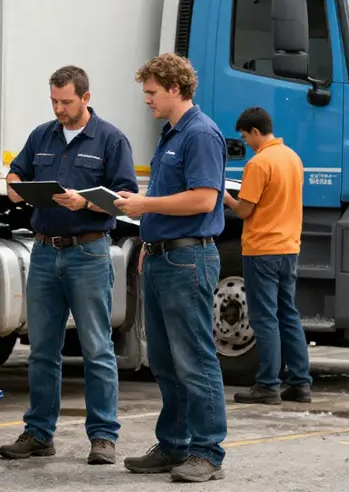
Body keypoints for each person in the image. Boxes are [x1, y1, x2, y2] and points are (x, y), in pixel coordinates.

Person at [0, 65, 138, 465]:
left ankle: (103, 437)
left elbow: (126, 198)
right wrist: (14, 186)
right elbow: (17, 171)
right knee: (42, 350)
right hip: (43, 252)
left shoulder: (110, 139)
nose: (59, 109)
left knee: (96, 348)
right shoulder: (42, 135)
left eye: (66, 102)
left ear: (86, 98)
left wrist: (87, 202)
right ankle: (39, 433)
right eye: (54, 101)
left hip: (88, 253)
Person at [115, 53, 227, 483]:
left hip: (188, 259)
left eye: (152, 92)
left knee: (195, 358)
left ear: (175, 89)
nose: (147, 99)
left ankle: (208, 451)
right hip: (163, 255)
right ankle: (175, 444)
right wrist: (149, 237)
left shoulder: (200, 134)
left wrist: (145, 205)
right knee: (163, 359)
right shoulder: (172, 133)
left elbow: (203, 198)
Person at [223, 107, 312, 405]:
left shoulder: (259, 164)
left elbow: (245, 210)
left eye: (246, 135)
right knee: (288, 315)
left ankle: (268, 384)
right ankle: (300, 383)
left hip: (262, 249)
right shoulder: (292, 158)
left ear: (256, 132)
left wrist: (224, 196)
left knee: (264, 319)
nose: (246, 141)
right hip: (289, 248)